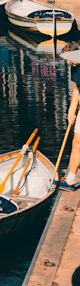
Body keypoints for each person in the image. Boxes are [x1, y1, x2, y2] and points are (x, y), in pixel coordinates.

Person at [61, 47, 80, 186]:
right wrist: (71, 110)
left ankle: (71, 176)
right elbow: (76, 88)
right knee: (76, 141)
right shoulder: (75, 67)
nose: (67, 63)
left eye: (68, 59)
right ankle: (71, 176)